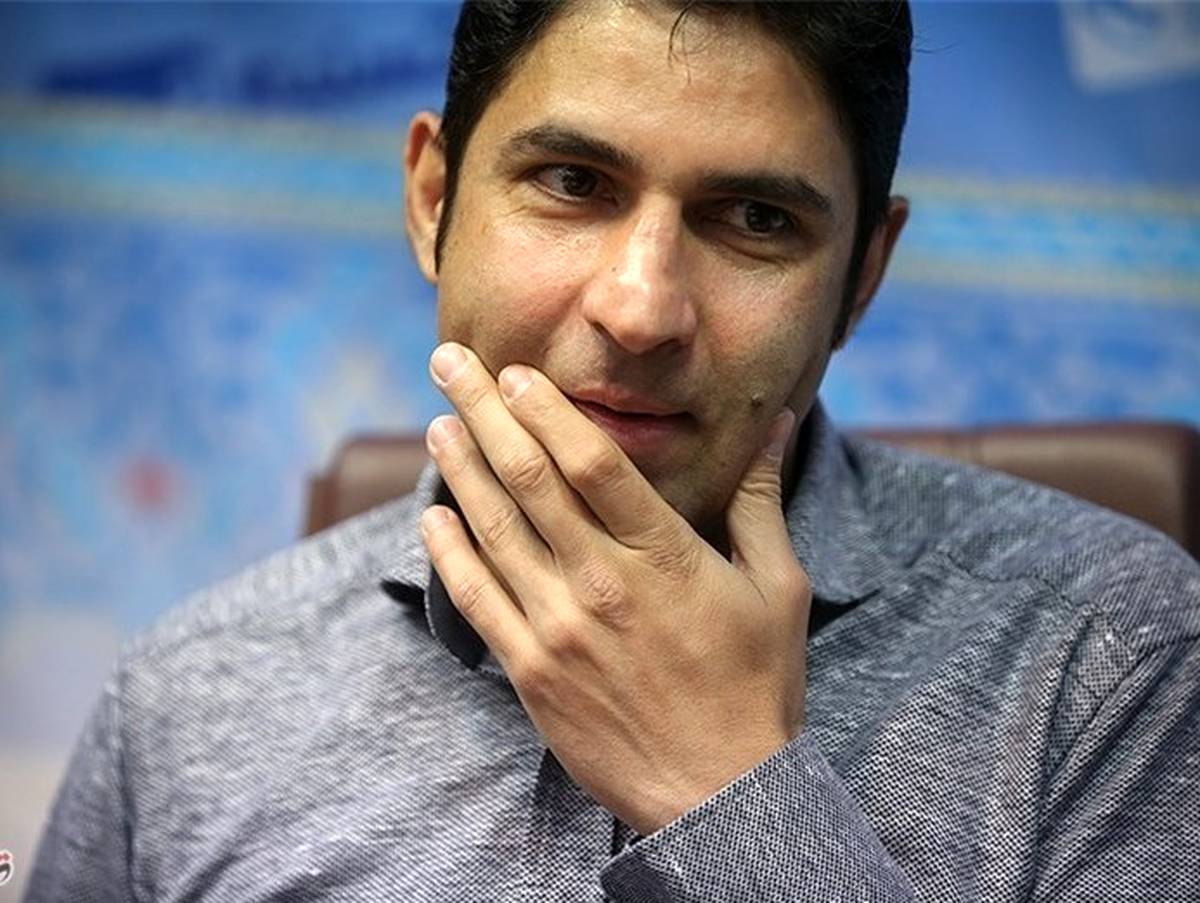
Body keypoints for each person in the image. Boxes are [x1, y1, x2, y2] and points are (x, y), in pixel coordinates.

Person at [26, 1, 1199, 900]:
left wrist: (732, 794)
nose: (641, 310)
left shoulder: (1117, 664)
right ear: (434, 200)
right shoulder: (182, 700)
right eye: (572, 183)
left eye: (756, 219)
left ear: (861, 279)